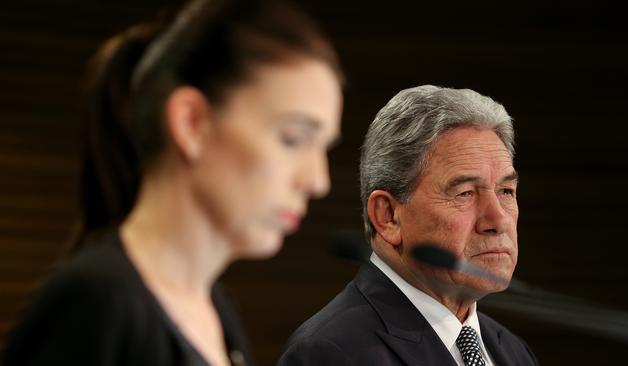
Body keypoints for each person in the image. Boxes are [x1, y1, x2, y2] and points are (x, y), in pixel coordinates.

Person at [3, 0, 342, 365]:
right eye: (292, 138)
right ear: (191, 123)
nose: (317, 181)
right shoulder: (96, 301)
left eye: (323, 148)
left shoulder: (215, 309)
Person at [279, 85, 538, 365]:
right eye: (465, 193)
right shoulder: (331, 353)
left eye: (506, 192)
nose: (498, 220)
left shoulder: (512, 352)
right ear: (388, 216)